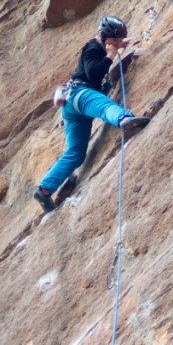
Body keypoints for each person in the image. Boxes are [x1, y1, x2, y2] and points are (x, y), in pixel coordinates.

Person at [34, 15, 149, 212]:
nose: (115, 45)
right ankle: (124, 119)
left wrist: (120, 45)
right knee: (104, 106)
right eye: (113, 41)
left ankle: (44, 190)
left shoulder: (101, 47)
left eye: (118, 41)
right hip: (80, 95)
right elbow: (93, 73)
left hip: (73, 108)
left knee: (76, 153)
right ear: (103, 37)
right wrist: (111, 55)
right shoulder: (92, 47)